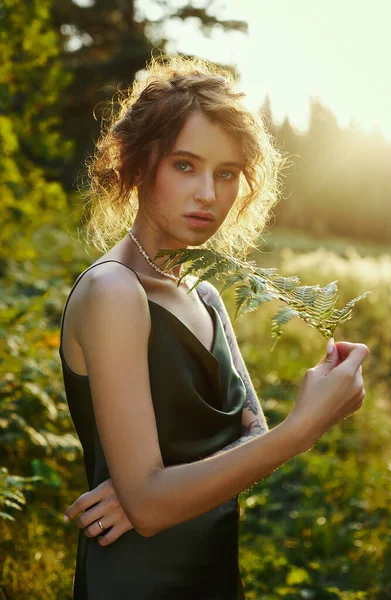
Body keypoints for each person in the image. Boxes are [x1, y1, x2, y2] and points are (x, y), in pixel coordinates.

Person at [59, 54, 369, 599]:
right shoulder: (114, 292)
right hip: (138, 582)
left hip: (213, 574)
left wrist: (160, 487)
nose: (209, 193)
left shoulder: (203, 295)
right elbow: (154, 510)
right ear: (136, 164)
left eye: (226, 174)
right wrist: (301, 431)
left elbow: (250, 435)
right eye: (185, 165)